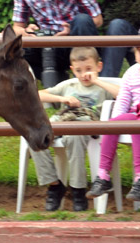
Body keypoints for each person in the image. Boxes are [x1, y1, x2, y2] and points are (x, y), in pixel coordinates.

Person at [31, 47, 120, 212]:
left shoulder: (103, 88)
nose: (83, 74)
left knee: (74, 136)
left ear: (98, 67)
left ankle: (78, 190)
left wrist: (97, 80)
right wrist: (62, 98)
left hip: (86, 123)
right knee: (34, 135)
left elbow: (123, 95)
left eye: (88, 69)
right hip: (63, 119)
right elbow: (37, 94)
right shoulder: (68, 84)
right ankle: (54, 186)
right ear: (72, 70)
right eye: (78, 71)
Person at [87, 30, 140, 203]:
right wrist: (117, 121)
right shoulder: (131, 72)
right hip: (136, 111)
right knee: (112, 125)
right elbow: (123, 98)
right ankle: (103, 175)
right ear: (135, 52)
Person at [11, 0, 134, 87]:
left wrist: (70, 30)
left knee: (82, 20)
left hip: (75, 39)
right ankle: (56, 81)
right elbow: (17, 26)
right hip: (48, 43)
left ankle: (91, 82)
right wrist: (25, 31)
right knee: (19, 50)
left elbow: (98, 20)